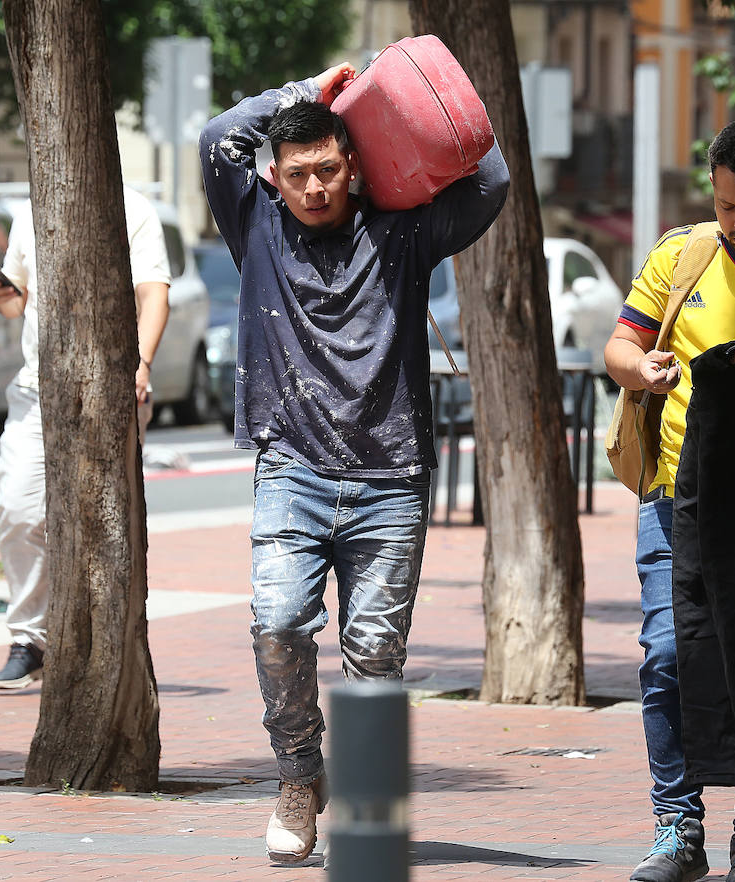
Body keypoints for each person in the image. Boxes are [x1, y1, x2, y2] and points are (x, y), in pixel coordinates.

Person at [198, 63, 508, 863]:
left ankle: (368, 816)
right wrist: (306, 92)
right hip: (292, 468)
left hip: (390, 479)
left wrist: (418, 101)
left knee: (373, 651)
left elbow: (490, 180)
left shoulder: (404, 234)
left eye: (328, 169)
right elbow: (213, 140)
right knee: (276, 625)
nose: (312, 188)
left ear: (355, 166)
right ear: (275, 177)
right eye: (296, 174)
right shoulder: (255, 225)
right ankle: (300, 777)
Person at [603, 114, 735, 882]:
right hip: (674, 497)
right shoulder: (683, 254)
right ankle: (678, 827)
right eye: (727, 207)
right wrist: (639, 370)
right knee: (668, 656)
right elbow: (619, 344)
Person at [0, 186, 171, 689]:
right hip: (36, 391)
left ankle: (108, 647)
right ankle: (29, 641)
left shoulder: (131, 207)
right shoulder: (29, 213)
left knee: (106, 522)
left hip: (111, 391)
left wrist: (142, 363)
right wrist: (2, 297)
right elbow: (18, 304)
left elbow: (154, 292)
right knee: (19, 512)